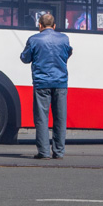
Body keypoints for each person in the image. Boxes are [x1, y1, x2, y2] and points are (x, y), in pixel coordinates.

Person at [20, 11, 73, 159]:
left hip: (42, 83)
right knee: (60, 118)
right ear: (54, 26)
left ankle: (43, 152)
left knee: (42, 118)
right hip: (60, 83)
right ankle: (59, 151)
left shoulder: (34, 39)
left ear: (40, 26)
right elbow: (68, 54)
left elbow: (25, 58)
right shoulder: (64, 39)